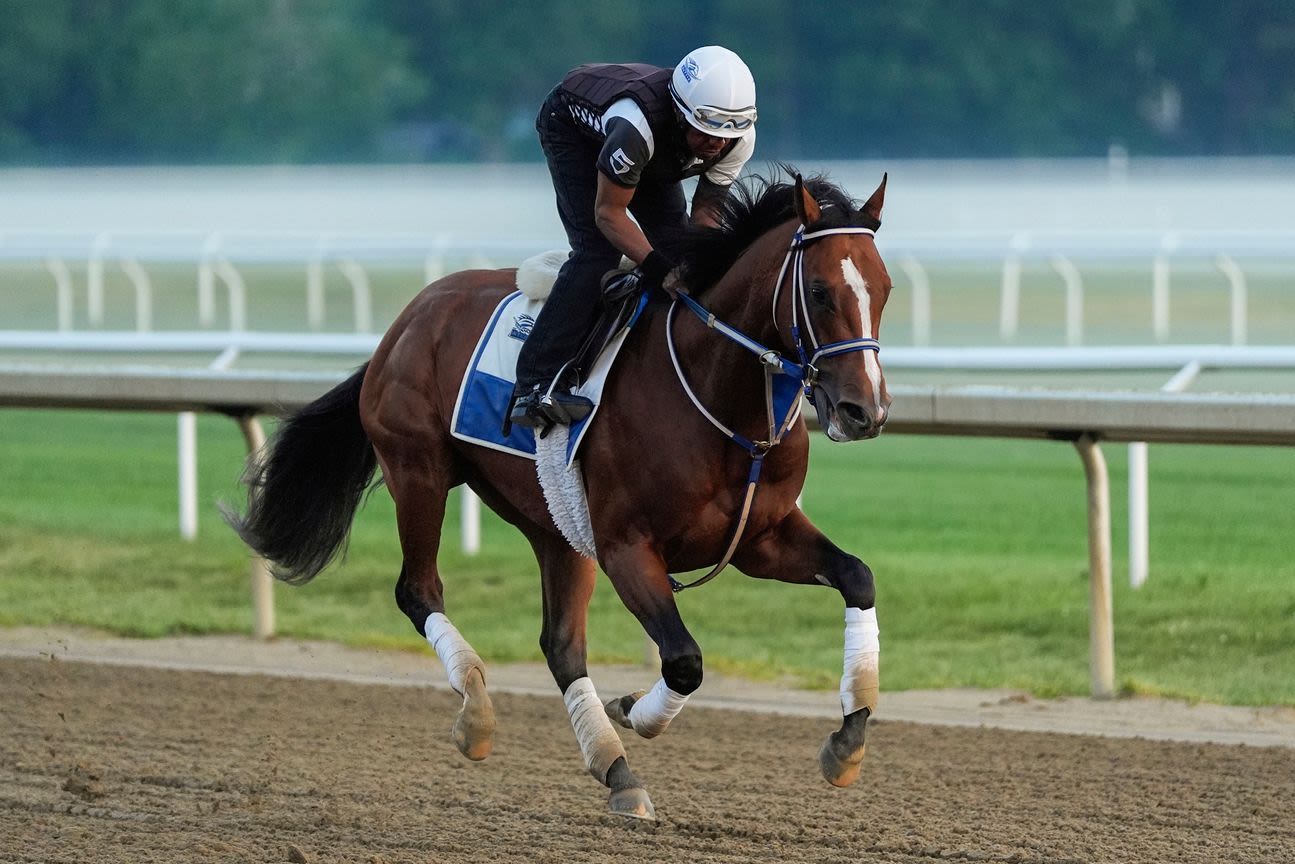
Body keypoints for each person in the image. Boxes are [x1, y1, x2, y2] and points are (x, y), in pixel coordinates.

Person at [509, 45, 758, 429]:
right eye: (707, 132)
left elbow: (707, 213)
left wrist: (699, 264)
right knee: (598, 252)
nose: (717, 145)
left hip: (655, 150)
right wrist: (660, 267)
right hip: (574, 129)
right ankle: (533, 383)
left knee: (683, 255)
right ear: (680, 112)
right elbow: (608, 214)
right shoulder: (636, 126)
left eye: (726, 137)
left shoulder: (737, 138)